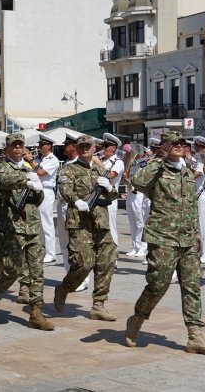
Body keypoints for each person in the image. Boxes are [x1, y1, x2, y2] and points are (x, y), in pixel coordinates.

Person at [125, 131, 205, 355]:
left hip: (186, 238)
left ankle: (195, 336)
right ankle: (137, 319)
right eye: (172, 143)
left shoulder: (186, 172)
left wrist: (195, 234)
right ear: (164, 146)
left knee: (192, 286)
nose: (178, 146)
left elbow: (189, 205)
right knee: (158, 285)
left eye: (181, 143)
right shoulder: (156, 170)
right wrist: (159, 157)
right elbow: (136, 180)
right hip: (162, 238)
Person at [0, 133, 54, 331]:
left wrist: (36, 188)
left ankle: (36, 313)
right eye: (13, 146)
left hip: (32, 226)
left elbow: (39, 198)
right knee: (12, 270)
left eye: (20, 146)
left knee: (37, 271)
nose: (17, 149)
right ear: (7, 149)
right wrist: (26, 180)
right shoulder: (2, 169)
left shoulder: (29, 169)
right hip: (12, 229)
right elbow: (3, 182)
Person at [53, 135, 119, 321]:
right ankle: (64, 288)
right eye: (81, 146)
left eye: (88, 146)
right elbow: (65, 190)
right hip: (80, 223)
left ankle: (98, 305)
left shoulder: (100, 169)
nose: (85, 149)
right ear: (77, 148)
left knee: (107, 261)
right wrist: (77, 201)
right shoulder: (69, 169)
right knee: (84, 263)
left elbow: (113, 195)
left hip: (101, 222)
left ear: (93, 147)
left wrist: (110, 187)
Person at [55, 132, 90, 292]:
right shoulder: (67, 163)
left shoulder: (83, 163)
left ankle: (81, 278)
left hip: (76, 209)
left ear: (73, 146)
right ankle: (70, 275)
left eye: (66, 145)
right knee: (64, 244)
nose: (64, 148)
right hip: (62, 205)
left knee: (77, 244)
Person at [36, 134, 59, 264]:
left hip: (46, 191)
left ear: (48, 146)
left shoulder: (53, 159)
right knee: (39, 224)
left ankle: (51, 253)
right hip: (38, 190)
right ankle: (43, 250)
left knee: (47, 223)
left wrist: (31, 160)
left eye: (41, 145)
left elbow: (40, 173)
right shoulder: (40, 159)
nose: (39, 148)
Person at [100, 133, 125, 252]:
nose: (103, 149)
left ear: (114, 148)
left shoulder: (117, 162)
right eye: (103, 146)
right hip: (99, 197)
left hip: (110, 197)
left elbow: (109, 175)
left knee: (111, 228)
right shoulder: (103, 161)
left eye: (106, 146)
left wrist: (96, 162)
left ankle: (113, 256)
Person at [192, 136, 205, 264]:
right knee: (194, 226)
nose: (196, 149)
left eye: (199, 147)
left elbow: (196, 175)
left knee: (203, 226)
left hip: (202, 195)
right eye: (196, 147)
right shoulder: (196, 161)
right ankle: (198, 250)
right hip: (193, 195)